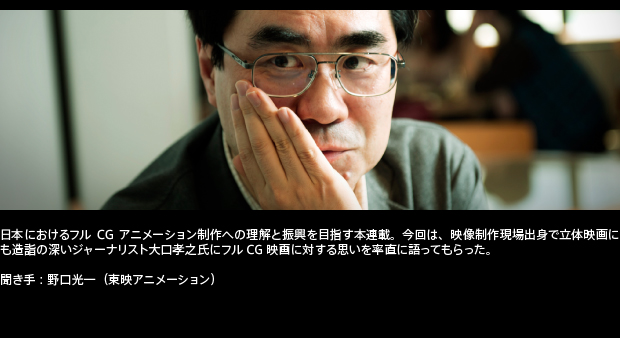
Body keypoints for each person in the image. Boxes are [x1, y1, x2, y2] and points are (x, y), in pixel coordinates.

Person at [101, 10, 488, 210]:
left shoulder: (440, 171)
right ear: (208, 69)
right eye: (282, 61)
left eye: (356, 62)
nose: (325, 109)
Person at [470, 10, 611, 152]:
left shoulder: (521, 45)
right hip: (589, 124)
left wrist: (471, 31)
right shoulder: (531, 34)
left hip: (578, 133)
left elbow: (476, 86)